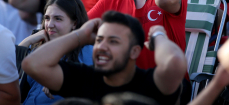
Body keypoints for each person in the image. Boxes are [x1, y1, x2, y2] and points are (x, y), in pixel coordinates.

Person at [22, 11, 187, 105]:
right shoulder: (83, 78)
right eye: (99, 40)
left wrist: (158, 36)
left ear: (134, 52)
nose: (101, 47)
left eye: (113, 41)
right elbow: (32, 64)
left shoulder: (152, 83)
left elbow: (175, 62)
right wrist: (80, 35)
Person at [19, 0, 93, 105]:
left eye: (58, 19)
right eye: (47, 18)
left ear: (74, 23)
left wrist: (61, 82)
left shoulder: (86, 51)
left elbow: (91, 86)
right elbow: (8, 73)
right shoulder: (39, 46)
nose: (49, 25)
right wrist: (27, 41)